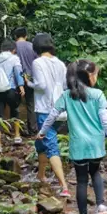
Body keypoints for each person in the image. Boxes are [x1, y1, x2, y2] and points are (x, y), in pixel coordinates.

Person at [38, 59, 107, 214]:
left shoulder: (67, 96)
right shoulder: (98, 95)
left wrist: (42, 132)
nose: (96, 77)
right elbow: (105, 121)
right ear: (89, 76)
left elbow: (53, 115)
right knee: (96, 173)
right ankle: (101, 205)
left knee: (81, 181)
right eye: (96, 74)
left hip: (78, 146)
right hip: (96, 144)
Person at [28, 32, 70, 196]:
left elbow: (41, 85)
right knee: (41, 142)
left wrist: (28, 83)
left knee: (51, 146)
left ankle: (64, 185)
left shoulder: (37, 62)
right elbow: (66, 85)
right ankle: (41, 174)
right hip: (60, 109)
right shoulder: (60, 63)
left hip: (45, 109)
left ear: (36, 47)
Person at [13, 27, 38, 136]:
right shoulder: (32, 47)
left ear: (15, 36)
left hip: (15, 79)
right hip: (30, 79)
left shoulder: (12, 47)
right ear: (26, 35)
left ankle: (15, 130)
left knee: (15, 105)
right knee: (30, 104)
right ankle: (32, 129)